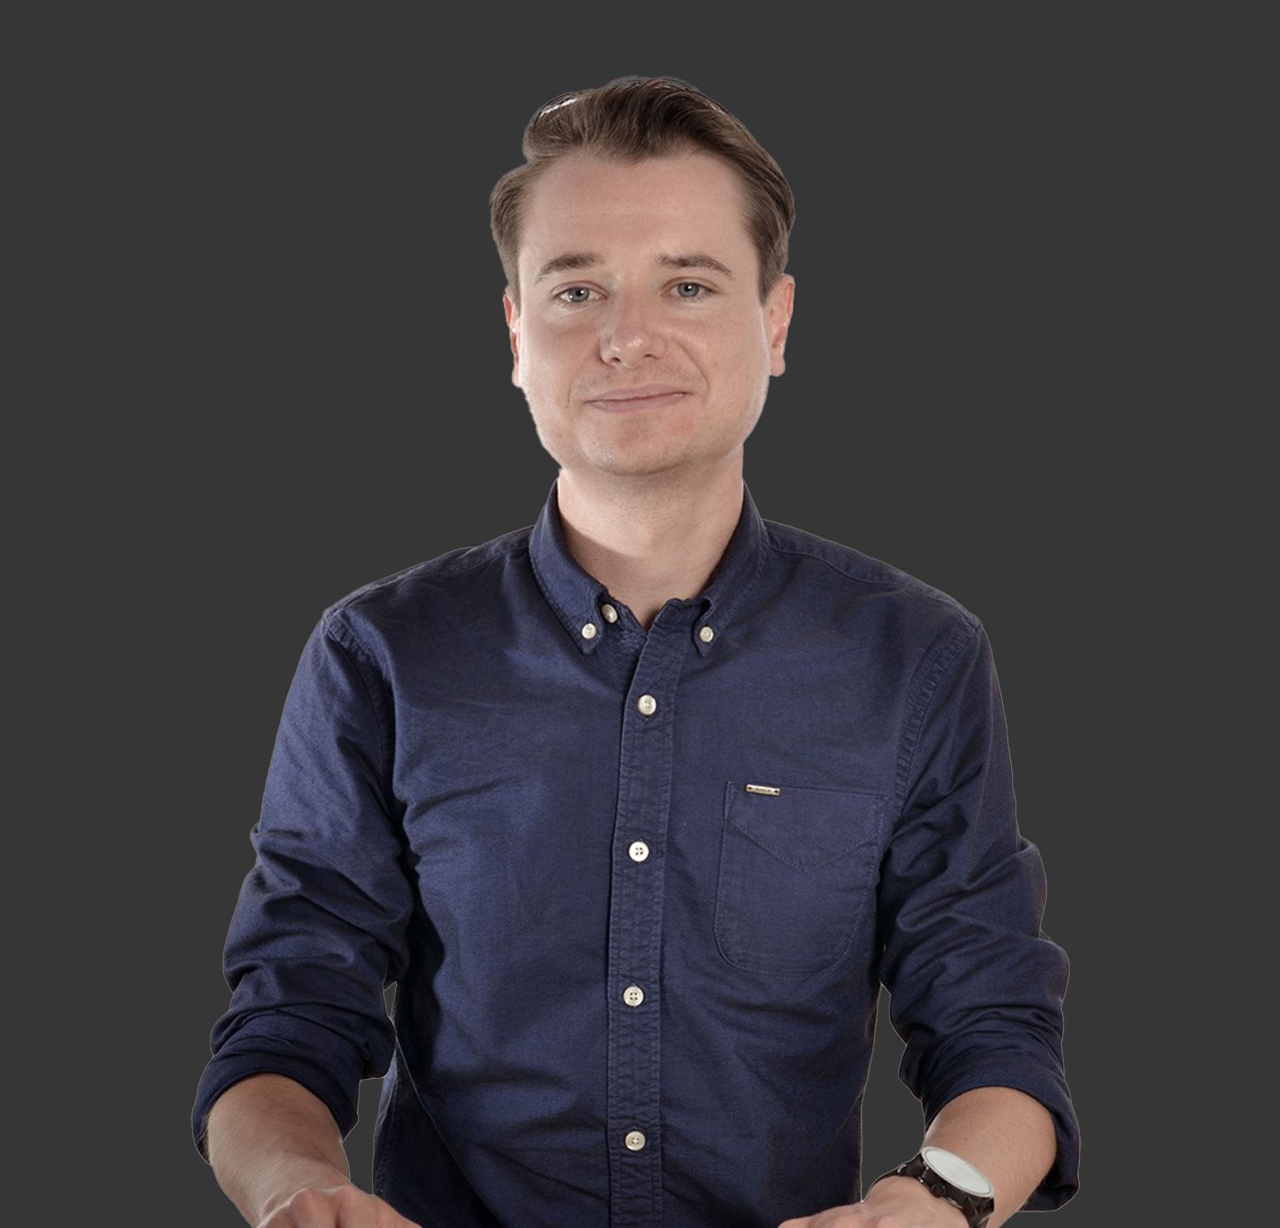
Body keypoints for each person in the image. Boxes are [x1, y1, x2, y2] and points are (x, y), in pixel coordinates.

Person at [194, 76, 1079, 1228]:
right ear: (516, 334)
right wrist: (300, 1193)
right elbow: (286, 1015)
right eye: (576, 290)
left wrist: (933, 1203)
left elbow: (992, 1021)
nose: (626, 338)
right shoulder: (381, 655)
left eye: (688, 284)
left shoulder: (914, 658)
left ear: (774, 322)